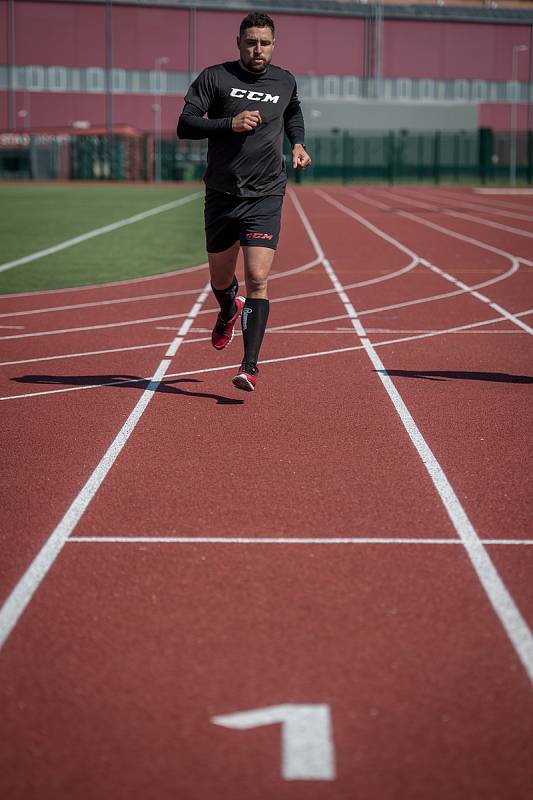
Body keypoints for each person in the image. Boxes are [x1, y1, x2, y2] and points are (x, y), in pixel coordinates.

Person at [177, 12, 311, 392]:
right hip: (221, 193)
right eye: (251, 41)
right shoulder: (215, 77)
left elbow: (293, 110)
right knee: (221, 278)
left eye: (264, 43)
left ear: (274, 45)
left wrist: (297, 143)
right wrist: (229, 124)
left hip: (266, 193)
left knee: (258, 278)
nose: (258, 49)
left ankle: (249, 366)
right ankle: (227, 309)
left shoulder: (284, 80)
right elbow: (184, 124)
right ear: (238, 42)